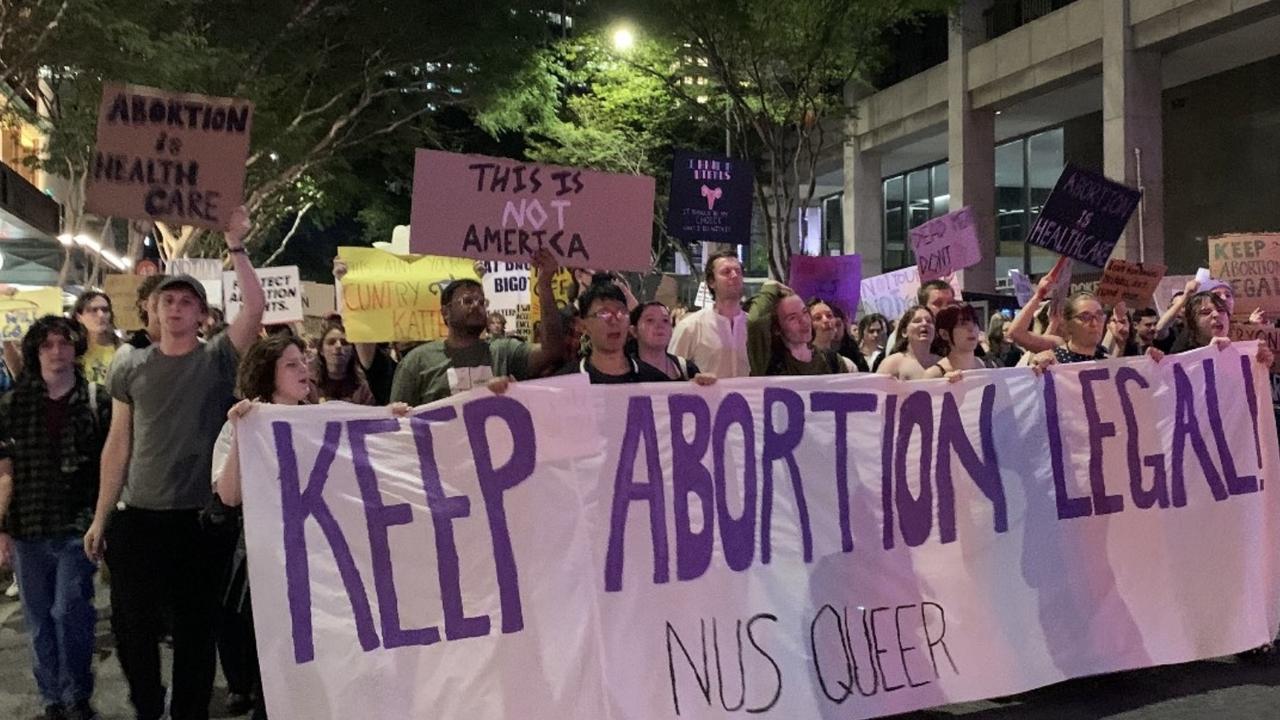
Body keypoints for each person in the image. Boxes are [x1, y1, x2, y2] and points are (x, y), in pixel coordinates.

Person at [83, 207, 264, 720]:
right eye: (169, 300)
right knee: (132, 630)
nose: (177, 308)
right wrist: (101, 517)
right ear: (153, 311)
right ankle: (146, 707)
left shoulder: (217, 359)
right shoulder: (129, 365)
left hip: (200, 521)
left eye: (188, 302)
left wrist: (236, 245)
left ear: (203, 315)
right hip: (138, 518)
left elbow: (253, 309)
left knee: (195, 633)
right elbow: (118, 444)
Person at [0, 316, 111, 720]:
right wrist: (1, 528)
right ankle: (52, 699)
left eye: (64, 343)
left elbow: (108, 464)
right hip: (27, 524)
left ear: (76, 347)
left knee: (70, 610)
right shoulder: (12, 404)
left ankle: (77, 692)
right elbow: (5, 470)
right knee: (38, 618)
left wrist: (102, 520)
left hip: (77, 524)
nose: (57, 351)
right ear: (36, 351)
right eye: (48, 344)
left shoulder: (95, 399)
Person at [390, 248, 565, 405]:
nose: (476, 305)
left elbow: (551, 350)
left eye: (482, 302)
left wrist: (544, 284)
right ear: (446, 312)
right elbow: (397, 427)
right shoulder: (416, 362)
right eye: (467, 301)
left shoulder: (503, 351)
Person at [669, 250, 750, 378]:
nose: (734, 275)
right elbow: (671, 374)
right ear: (711, 282)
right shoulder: (691, 327)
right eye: (726, 272)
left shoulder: (754, 326)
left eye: (738, 271)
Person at [566, 283, 670, 383]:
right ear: (584, 326)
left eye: (621, 312)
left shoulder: (655, 381)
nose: (614, 321)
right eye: (604, 313)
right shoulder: (566, 383)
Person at [747, 281, 842, 376]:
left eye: (805, 312)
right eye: (792, 318)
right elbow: (755, 321)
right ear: (777, 329)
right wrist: (769, 288)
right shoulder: (768, 364)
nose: (804, 321)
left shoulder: (831, 361)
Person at [628, 301, 715, 383]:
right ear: (634, 331)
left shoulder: (687, 369)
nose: (660, 326)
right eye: (650, 320)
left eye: (665, 320)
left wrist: (705, 384)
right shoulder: (625, 370)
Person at [310, 320, 374, 404]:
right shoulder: (310, 386)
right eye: (331, 342)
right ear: (321, 350)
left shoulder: (363, 388)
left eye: (344, 343)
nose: (338, 346)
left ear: (352, 350)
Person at [925, 304, 996, 379]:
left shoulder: (991, 366)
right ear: (944, 334)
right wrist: (942, 385)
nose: (971, 328)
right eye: (963, 324)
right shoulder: (934, 375)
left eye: (975, 322)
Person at [876, 306, 940, 381]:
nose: (925, 324)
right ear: (904, 332)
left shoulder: (943, 363)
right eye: (917, 321)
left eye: (929, 321)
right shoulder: (892, 363)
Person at [73, 291, 120, 384]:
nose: (101, 315)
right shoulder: (72, 352)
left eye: (105, 310)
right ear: (79, 317)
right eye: (93, 310)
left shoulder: (124, 350)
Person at [807, 299, 859, 372]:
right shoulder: (802, 363)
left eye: (829, 316)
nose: (826, 320)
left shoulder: (847, 365)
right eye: (818, 318)